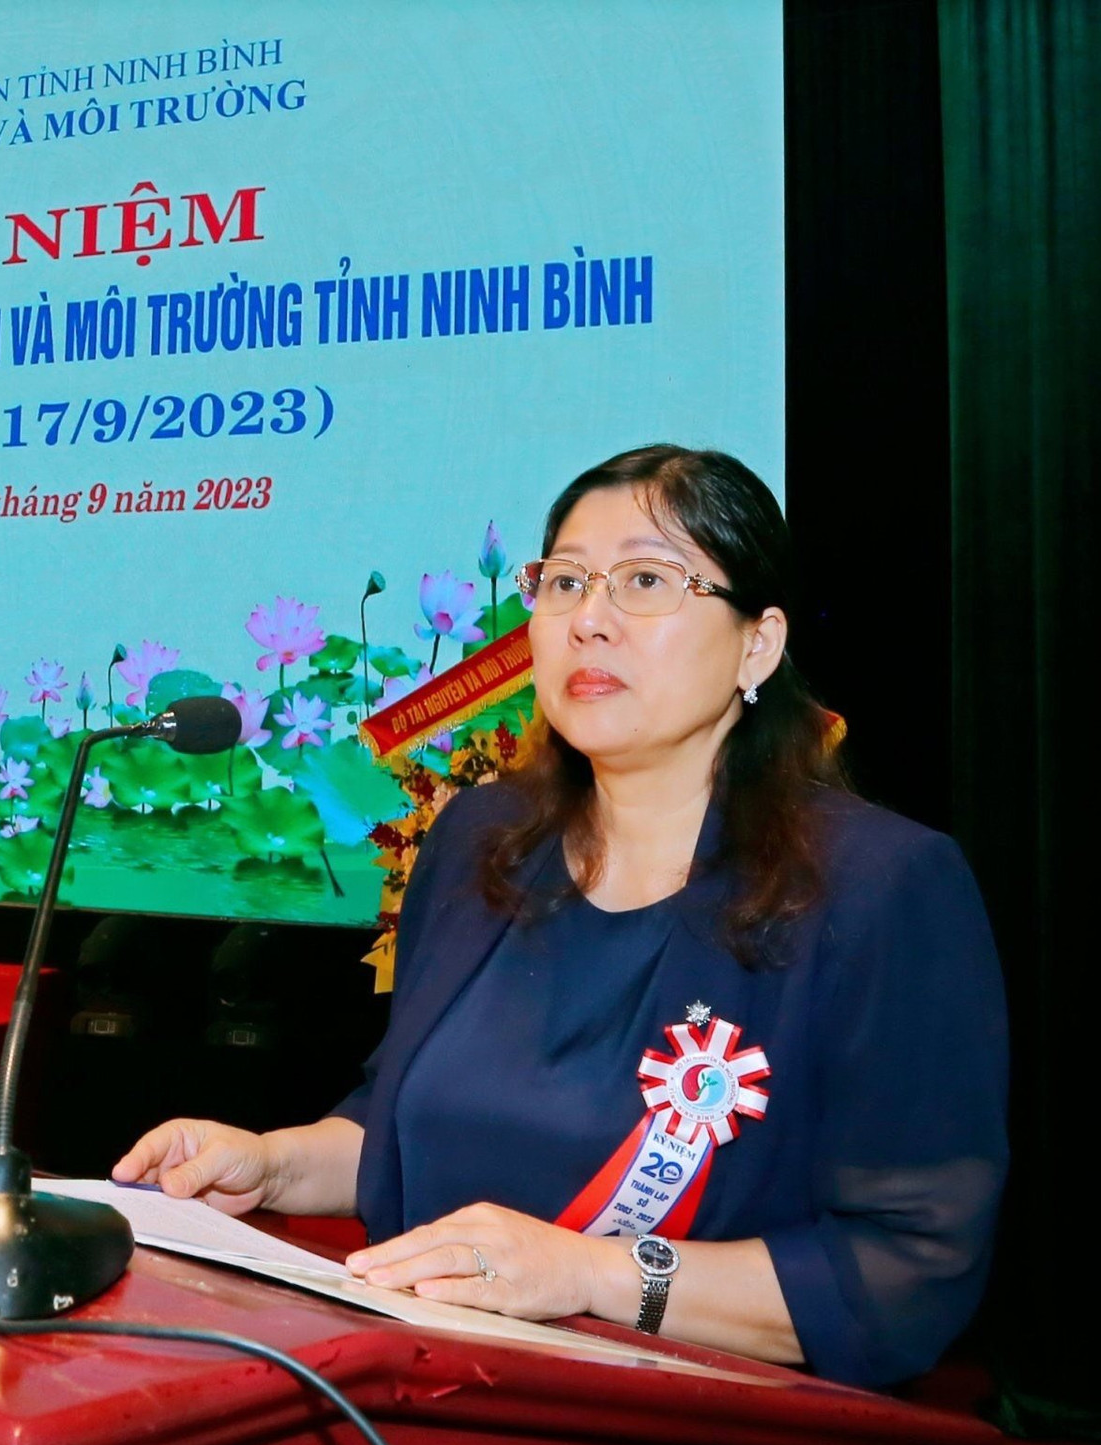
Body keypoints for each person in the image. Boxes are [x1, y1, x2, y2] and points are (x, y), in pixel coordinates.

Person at [114, 445, 1007, 1388]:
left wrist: (588, 1273)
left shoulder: (879, 886)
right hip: (420, 1399)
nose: (590, 620)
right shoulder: (479, 840)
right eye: (566, 582)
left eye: (647, 580)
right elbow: (403, 1123)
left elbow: (910, 1268)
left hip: (691, 1437)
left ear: (759, 644)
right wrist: (269, 1164)